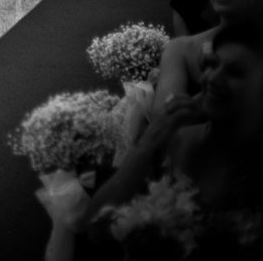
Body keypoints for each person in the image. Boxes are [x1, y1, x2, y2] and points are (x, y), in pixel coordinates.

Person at [85, 19, 263, 257]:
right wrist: (148, 143)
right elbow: (98, 230)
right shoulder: (178, 139)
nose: (212, 79)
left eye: (235, 72)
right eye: (212, 65)